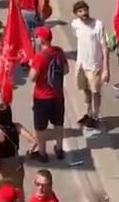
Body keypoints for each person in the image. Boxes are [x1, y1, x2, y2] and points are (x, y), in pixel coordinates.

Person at [27, 26, 67, 162]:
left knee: (40, 128)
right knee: (58, 124)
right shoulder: (59, 52)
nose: (34, 39)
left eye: (36, 37)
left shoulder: (39, 57)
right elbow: (66, 70)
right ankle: (59, 149)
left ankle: (43, 153)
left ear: (42, 40)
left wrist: (32, 64)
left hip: (42, 97)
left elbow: (32, 77)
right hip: (58, 95)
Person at [70, 0, 110, 127]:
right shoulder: (75, 24)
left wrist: (106, 69)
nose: (84, 13)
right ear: (76, 14)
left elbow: (104, 47)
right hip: (81, 65)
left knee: (95, 91)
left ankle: (96, 114)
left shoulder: (98, 25)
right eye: (80, 11)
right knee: (85, 90)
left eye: (85, 10)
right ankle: (88, 113)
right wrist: (77, 65)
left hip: (94, 65)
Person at [0, 103, 33, 194]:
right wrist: (27, 155)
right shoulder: (17, 127)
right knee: (17, 192)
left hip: (2, 167)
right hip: (16, 164)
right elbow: (34, 142)